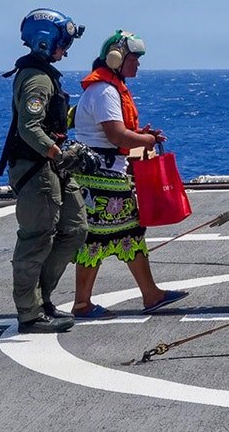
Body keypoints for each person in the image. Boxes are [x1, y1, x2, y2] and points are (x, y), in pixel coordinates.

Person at [69, 30, 188, 318]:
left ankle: (150, 293)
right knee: (98, 239)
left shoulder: (106, 88)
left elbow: (116, 133)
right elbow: (116, 135)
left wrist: (139, 134)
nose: (137, 64)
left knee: (128, 235)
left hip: (104, 176)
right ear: (116, 58)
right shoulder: (105, 92)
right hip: (102, 179)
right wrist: (145, 140)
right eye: (133, 58)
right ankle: (83, 303)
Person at [0, 8, 88, 334]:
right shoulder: (36, 78)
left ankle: (42, 299)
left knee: (75, 229)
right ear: (46, 42)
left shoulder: (46, 76)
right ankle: (30, 313)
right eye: (63, 42)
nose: (66, 49)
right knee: (36, 240)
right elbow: (29, 127)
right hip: (37, 170)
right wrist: (58, 152)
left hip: (52, 168)